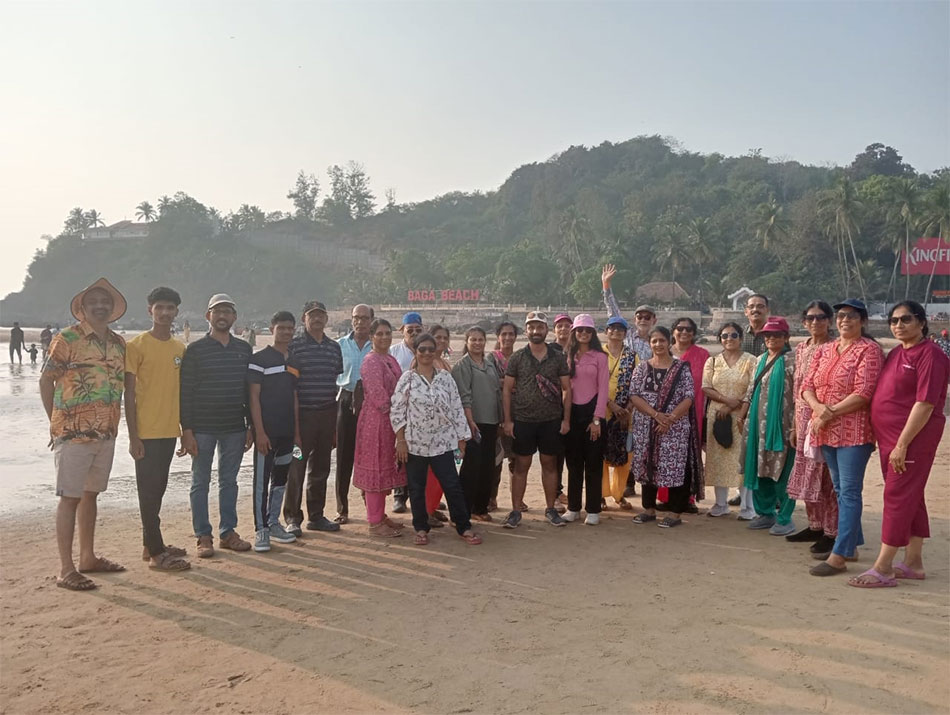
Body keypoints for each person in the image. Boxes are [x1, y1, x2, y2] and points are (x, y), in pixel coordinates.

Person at [850, 301, 949, 588]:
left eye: (905, 320)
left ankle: (884, 566)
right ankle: (914, 562)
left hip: (912, 439)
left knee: (896, 497)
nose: (898, 325)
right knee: (911, 497)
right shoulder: (896, 353)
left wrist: (903, 443)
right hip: (888, 439)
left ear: (921, 322)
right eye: (894, 320)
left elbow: (926, 403)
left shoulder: (930, 354)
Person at [40, 277, 127, 590]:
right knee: (69, 498)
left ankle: (88, 557)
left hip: (106, 433)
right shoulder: (67, 338)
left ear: (112, 308)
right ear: (83, 309)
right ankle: (67, 569)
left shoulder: (118, 343)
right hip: (72, 432)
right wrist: (55, 422)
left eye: (105, 303)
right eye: (94, 303)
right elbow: (45, 380)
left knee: (91, 495)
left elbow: (121, 387)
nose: (100, 307)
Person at [802, 298, 884, 577]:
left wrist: (830, 411)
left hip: (854, 431)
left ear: (863, 320)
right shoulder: (825, 350)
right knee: (839, 489)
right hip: (825, 429)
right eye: (840, 316)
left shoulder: (869, 350)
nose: (844, 320)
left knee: (849, 491)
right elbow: (807, 385)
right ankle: (850, 545)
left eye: (851, 316)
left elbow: (864, 392)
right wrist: (818, 409)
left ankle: (839, 554)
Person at [179, 293, 254, 558]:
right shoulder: (195, 350)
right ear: (208, 315)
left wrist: (250, 427)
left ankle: (228, 532)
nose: (222, 316)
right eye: (217, 311)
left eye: (227, 312)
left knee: (229, 481)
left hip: (234, 426)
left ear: (234, 317)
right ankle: (203, 535)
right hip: (202, 428)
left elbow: (248, 391)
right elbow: (185, 392)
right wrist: (186, 431)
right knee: (200, 481)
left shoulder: (244, 349)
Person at [390, 332, 481, 546]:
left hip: (443, 442)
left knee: (452, 484)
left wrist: (462, 438)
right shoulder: (408, 379)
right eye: (423, 349)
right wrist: (400, 440)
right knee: (416, 487)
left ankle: (463, 526)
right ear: (416, 351)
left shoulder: (445, 378)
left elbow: (456, 408)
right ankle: (421, 528)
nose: (427, 353)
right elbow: (397, 411)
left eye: (431, 349)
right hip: (415, 444)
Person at [124, 286, 190, 571]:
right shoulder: (136, 346)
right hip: (146, 432)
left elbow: (184, 393)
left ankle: (149, 543)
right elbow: (128, 394)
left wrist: (185, 430)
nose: (165, 313)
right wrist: (133, 436)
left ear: (176, 312)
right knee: (147, 492)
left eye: (170, 308)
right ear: (149, 310)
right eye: (159, 307)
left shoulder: (180, 349)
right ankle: (156, 554)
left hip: (169, 430)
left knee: (159, 490)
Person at [502, 311, 572, 528]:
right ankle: (515, 511)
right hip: (523, 420)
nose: (535, 331)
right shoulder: (518, 358)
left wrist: (566, 419)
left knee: (549, 464)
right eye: (531, 327)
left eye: (539, 327)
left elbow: (567, 389)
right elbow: (507, 389)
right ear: (526, 331)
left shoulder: (557, 357)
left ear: (546, 330)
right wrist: (508, 420)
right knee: (521, 465)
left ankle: (551, 509)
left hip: (551, 420)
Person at [628, 326, 703, 528]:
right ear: (650, 344)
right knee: (647, 465)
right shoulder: (642, 368)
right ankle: (648, 509)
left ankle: (676, 512)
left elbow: (689, 396)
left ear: (669, 342)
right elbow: (634, 395)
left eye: (662, 340)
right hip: (647, 426)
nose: (658, 345)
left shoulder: (681, 368)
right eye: (654, 341)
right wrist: (655, 415)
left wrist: (668, 420)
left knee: (676, 467)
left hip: (675, 428)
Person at [785, 301, 839, 556]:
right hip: (803, 417)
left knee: (826, 477)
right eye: (810, 318)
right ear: (804, 322)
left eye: (820, 317)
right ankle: (815, 525)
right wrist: (796, 425)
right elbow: (798, 389)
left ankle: (832, 531)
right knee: (807, 475)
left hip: (825, 417)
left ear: (829, 320)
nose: (815, 322)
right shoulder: (801, 348)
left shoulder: (835, 347)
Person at [285, 300, 344, 534]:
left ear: (326, 319)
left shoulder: (333, 348)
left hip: (327, 414)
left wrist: (334, 425)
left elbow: (335, 382)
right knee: (296, 467)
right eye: (312, 315)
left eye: (321, 315)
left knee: (321, 467)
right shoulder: (295, 346)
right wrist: (294, 425)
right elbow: (290, 386)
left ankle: (316, 516)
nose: (317, 319)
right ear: (304, 319)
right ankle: (292, 518)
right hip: (302, 416)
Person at [736, 317, 797, 535]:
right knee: (760, 468)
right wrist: (742, 415)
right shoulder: (760, 359)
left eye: (777, 335)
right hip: (756, 426)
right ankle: (765, 513)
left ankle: (785, 517)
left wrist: (796, 426)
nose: (771, 339)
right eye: (767, 335)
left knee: (782, 471)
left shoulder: (793, 360)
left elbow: (799, 395)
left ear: (786, 337)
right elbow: (751, 391)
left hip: (781, 426)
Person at [248, 311, 302, 553]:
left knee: (280, 480)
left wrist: (297, 433)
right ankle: (261, 530)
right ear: (272, 329)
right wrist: (259, 431)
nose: (286, 332)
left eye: (290, 328)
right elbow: (253, 397)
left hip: (287, 432)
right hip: (266, 433)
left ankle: (273, 523)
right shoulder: (259, 359)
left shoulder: (294, 361)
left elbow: (294, 398)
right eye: (282, 328)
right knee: (261, 481)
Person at [353, 319, 406, 537]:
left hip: (392, 422)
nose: (384, 337)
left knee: (386, 468)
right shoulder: (371, 362)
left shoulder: (390, 359)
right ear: (372, 336)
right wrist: (398, 412)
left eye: (387, 333)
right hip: (376, 422)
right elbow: (378, 396)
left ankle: (380, 515)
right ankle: (374, 522)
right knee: (375, 468)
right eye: (379, 334)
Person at [701, 322, 756, 517]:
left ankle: (747, 506)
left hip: (742, 415)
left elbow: (753, 388)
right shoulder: (713, 362)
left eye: (733, 335)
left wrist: (734, 405)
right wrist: (726, 402)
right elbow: (706, 387)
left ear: (740, 338)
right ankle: (720, 503)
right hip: (718, 415)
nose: (729, 339)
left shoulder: (751, 361)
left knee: (742, 460)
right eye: (725, 336)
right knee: (718, 459)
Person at [452, 327, 503, 521]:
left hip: (491, 421)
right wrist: (470, 422)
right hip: (473, 423)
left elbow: (496, 393)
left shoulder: (489, 364)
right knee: (471, 468)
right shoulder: (462, 366)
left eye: (480, 339)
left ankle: (480, 508)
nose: (477, 343)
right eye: (473, 339)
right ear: (466, 342)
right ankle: (464, 509)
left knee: (487, 466)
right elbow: (463, 396)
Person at [562, 314, 608, 524]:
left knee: (593, 464)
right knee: (573, 464)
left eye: (587, 330)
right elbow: (564, 388)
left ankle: (593, 509)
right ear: (574, 332)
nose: (583, 334)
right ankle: (573, 507)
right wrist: (565, 418)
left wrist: (597, 419)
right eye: (579, 330)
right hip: (572, 414)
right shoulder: (567, 356)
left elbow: (604, 389)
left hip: (593, 415)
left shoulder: (600, 357)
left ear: (592, 333)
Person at [662, 316, 710, 513]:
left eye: (689, 330)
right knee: (665, 454)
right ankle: (664, 497)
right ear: (673, 331)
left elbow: (707, 385)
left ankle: (687, 498)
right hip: (664, 413)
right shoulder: (664, 352)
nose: (684, 332)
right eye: (680, 328)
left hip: (693, 412)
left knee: (690, 455)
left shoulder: (703, 355)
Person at [334, 304, 374, 524]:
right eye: (356, 318)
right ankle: (342, 509)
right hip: (345, 399)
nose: (360, 322)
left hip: (370, 404)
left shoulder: (378, 346)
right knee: (343, 456)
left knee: (369, 455)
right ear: (351, 320)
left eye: (364, 318)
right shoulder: (339, 345)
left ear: (371, 320)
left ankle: (371, 504)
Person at [389, 311, 423, 513]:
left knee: (421, 454)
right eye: (410, 330)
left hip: (422, 412)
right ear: (402, 330)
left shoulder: (427, 350)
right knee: (400, 453)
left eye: (418, 329)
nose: (414, 333)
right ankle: (399, 496)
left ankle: (423, 496)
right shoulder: (394, 352)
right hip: (400, 410)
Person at [601, 316, 637, 510]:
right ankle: (600, 495)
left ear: (625, 333)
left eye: (620, 329)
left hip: (625, 415)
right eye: (612, 328)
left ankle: (619, 493)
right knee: (600, 456)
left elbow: (637, 384)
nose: (616, 332)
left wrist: (628, 407)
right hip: (601, 412)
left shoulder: (632, 356)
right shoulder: (598, 354)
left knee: (624, 457)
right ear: (606, 331)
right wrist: (611, 405)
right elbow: (592, 384)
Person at [490, 321, 518, 512]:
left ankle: (518, 499)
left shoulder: (521, 357)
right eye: (504, 334)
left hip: (518, 414)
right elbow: (490, 381)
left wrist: (504, 383)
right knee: (496, 459)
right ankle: (492, 497)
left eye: (511, 334)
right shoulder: (490, 359)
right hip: (496, 413)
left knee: (517, 458)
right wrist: (511, 383)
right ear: (498, 337)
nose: (507, 338)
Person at [601, 264, 654, 361]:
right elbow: (613, 310)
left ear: (654, 321)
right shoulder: (627, 333)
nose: (643, 320)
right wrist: (606, 284)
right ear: (635, 320)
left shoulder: (656, 342)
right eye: (639, 317)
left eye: (647, 317)